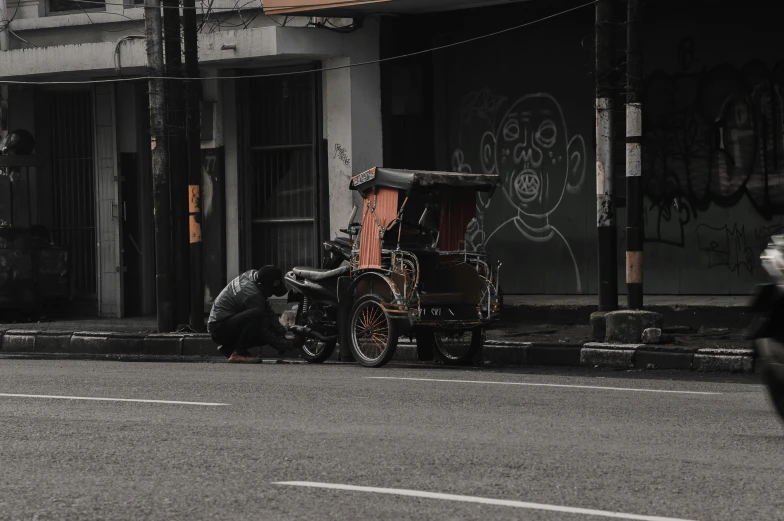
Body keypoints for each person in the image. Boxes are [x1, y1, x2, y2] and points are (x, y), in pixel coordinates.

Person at [207, 265, 301, 363]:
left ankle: (229, 348)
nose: (272, 294)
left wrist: (281, 332)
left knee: (264, 320)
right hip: (218, 329)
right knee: (258, 318)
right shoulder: (252, 295)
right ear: (260, 285)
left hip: (229, 322)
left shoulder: (253, 275)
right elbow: (262, 329)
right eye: (270, 291)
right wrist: (286, 345)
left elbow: (267, 311)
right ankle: (239, 353)